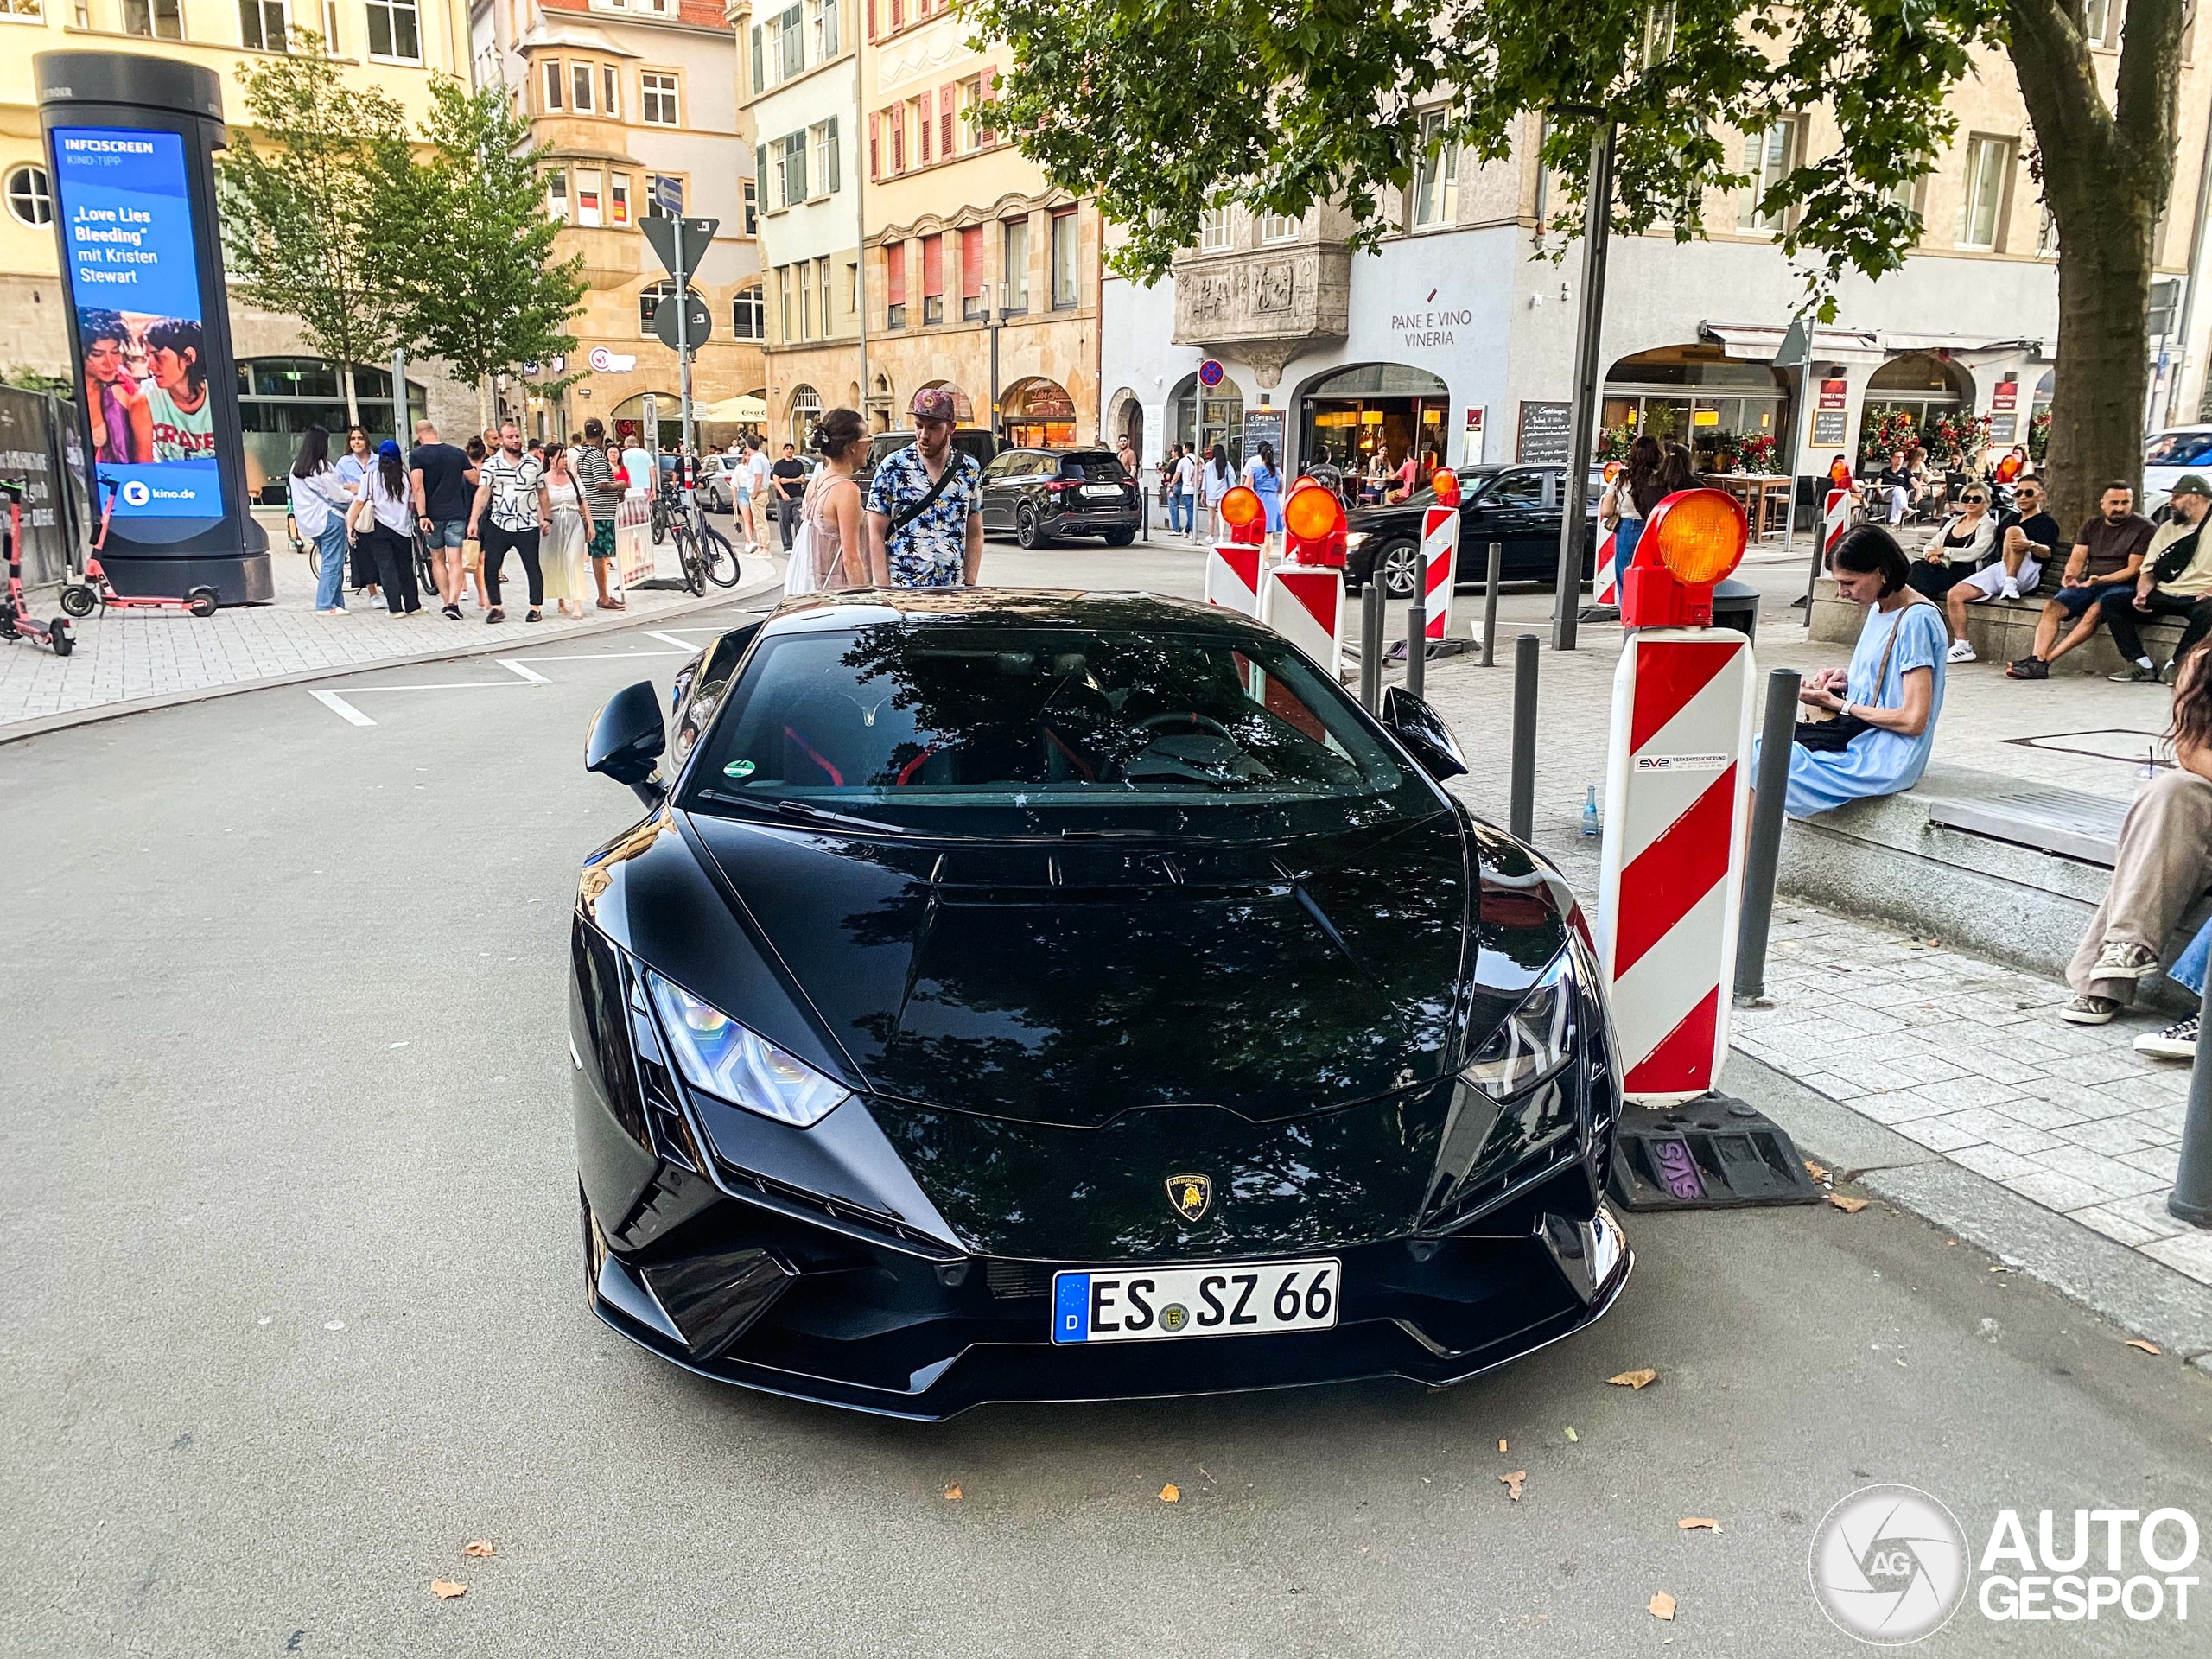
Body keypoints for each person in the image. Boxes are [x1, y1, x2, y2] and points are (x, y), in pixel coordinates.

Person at [2061, 651, 2212, 1023]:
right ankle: (2126, 948)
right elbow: (2191, 752)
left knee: (2157, 833)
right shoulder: (2205, 663)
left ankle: (2106, 975)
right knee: (2170, 791)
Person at [1768, 525, 1948, 817]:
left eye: (1849, 582)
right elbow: (1885, 684)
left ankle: (1743, 859)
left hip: (1885, 756)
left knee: (1759, 760)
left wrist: (1838, 704)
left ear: (1882, 572)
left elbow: (1914, 720)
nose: (1842, 593)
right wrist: (1844, 683)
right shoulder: (1880, 609)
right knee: (1755, 753)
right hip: (1862, 739)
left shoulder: (1917, 620)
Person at [2005, 481, 2154, 678]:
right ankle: (2037, 657)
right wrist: (2070, 576)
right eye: (2114, 502)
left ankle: (2045, 661)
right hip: (2091, 583)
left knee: (2095, 611)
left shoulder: (2144, 528)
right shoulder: (2092, 525)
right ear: (2103, 503)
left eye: (2125, 503)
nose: (2119, 508)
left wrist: (2099, 579)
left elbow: (2132, 570)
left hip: (2123, 587)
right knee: (2052, 606)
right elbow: (2077, 557)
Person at [2097, 474, 2212, 683]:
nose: (2171, 503)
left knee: (2209, 610)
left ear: (2196, 497)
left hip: (2199, 596)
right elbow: (2149, 570)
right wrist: (2142, 591)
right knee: (2112, 603)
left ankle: (2177, 665)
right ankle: (2139, 664)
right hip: (2166, 592)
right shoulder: (2168, 528)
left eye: (2177, 497)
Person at [864, 387, 984, 587]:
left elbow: (974, 533)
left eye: (934, 427)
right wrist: (884, 590)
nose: (923, 435)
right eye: (919, 426)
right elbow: (874, 534)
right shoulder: (893, 467)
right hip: (903, 591)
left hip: (950, 594)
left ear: (951, 428)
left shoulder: (968, 470)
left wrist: (970, 584)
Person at [1942, 475, 2062, 662]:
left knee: (2014, 532)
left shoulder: (2047, 523)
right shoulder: (2010, 517)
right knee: (1955, 594)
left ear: (2041, 496)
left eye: (2029, 493)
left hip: (2029, 570)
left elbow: (2047, 552)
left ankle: (2010, 582)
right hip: (2002, 567)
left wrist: (2029, 544)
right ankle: (1963, 645)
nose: (2022, 497)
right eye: (2018, 493)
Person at [465, 421, 550, 625]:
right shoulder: (491, 465)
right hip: (499, 521)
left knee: (532, 567)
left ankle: (535, 608)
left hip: (527, 522)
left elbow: (542, 492)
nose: (515, 440)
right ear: (502, 440)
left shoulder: (533, 464)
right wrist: (473, 520)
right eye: (510, 437)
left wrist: (547, 518)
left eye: (517, 436)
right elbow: (483, 492)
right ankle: (496, 607)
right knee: (491, 566)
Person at [347, 440, 422, 615]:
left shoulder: (369, 478)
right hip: (402, 529)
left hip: (379, 529)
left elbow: (359, 503)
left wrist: (350, 524)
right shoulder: (405, 478)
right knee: (405, 567)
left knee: (386, 568)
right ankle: (413, 605)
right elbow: (412, 506)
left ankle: (395, 608)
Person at [408, 421, 473, 620]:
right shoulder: (457, 453)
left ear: (419, 436)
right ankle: (454, 602)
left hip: (432, 516)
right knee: (455, 561)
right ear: (435, 432)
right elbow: (475, 479)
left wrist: (422, 515)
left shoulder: (417, 456)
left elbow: (417, 487)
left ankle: (446, 602)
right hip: (456, 513)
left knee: (437, 559)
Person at [801, 406, 870, 590]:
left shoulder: (815, 484)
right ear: (852, 447)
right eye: (868, 439)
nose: (870, 445)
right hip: (843, 594)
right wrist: (865, 601)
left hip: (820, 589)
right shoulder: (847, 490)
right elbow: (851, 558)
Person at [289, 425, 354, 615]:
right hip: (329, 518)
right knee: (333, 563)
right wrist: (355, 495)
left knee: (331, 561)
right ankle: (326, 605)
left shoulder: (296, 467)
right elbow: (338, 495)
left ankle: (337, 603)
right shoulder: (323, 467)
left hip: (308, 522)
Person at [1904, 484, 1999, 603]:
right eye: (1966, 499)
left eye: (1976, 499)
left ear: (1986, 502)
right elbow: (1932, 545)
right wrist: (1931, 555)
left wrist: (1945, 551)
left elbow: (1976, 552)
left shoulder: (1988, 525)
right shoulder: (1954, 521)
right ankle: (1918, 607)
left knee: (1921, 576)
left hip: (1966, 572)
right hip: (1943, 567)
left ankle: (1914, 607)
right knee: (1918, 568)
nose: (1970, 502)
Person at [81, 308, 152, 464]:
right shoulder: (70, 390)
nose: (110, 362)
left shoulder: (123, 383)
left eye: (114, 352)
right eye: (97, 354)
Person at [573, 417, 626, 610]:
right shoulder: (596, 456)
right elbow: (601, 484)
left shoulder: (583, 454)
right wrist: (619, 485)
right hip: (600, 511)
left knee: (601, 554)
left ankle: (604, 594)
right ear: (602, 434)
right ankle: (603, 596)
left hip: (595, 508)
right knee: (601, 554)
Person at [142, 319, 213, 461]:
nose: (149, 366)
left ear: (188, 357)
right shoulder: (145, 398)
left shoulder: (218, 395)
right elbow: (143, 467)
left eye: (158, 356)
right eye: (146, 357)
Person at [540, 441, 592, 620]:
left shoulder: (573, 477)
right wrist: (542, 521)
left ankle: (577, 603)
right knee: (557, 561)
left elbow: (583, 502)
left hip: (574, 521)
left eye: (565, 457)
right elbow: (540, 503)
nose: (565, 460)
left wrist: (590, 525)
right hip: (554, 523)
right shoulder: (544, 479)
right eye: (561, 457)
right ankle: (561, 599)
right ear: (551, 459)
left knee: (573, 560)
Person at [1243, 441, 1284, 548]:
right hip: (1272, 502)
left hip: (1259, 500)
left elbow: (1247, 487)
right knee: (1268, 533)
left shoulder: (1255, 470)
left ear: (1261, 456)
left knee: (1256, 530)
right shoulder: (1278, 472)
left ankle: (1258, 559)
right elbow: (1280, 489)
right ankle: (1266, 560)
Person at [771, 442, 809, 553]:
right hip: (783, 497)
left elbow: (802, 479)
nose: (789, 451)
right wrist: (782, 493)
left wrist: (788, 480)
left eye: (791, 449)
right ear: (784, 450)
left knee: (799, 520)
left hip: (797, 495)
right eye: (787, 448)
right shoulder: (779, 465)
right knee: (784, 521)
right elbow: (777, 480)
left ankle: (799, 544)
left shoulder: (798, 464)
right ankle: (788, 546)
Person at [1873, 449, 1916, 525]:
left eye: (1902, 457)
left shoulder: (1906, 471)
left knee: (1898, 493)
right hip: (1887, 493)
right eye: (1898, 457)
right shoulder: (1885, 471)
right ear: (1892, 459)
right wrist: (1879, 492)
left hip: (1901, 494)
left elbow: (1915, 482)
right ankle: (1905, 509)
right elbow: (1878, 482)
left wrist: (1919, 491)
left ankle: (1894, 522)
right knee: (1898, 489)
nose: (1900, 459)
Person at [745, 435, 773, 547]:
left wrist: (754, 494)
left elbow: (758, 478)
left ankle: (764, 547)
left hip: (758, 493)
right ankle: (762, 546)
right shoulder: (762, 457)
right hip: (763, 491)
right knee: (759, 522)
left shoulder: (755, 458)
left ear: (748, 446)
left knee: (760, 522)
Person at [1201, 443, 1233, 540]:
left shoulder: (1208, 465)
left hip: (1211, 493)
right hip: (1223, 493)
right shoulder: (1226, 464)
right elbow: (1232, 478)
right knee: (1221, 516)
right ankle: (1222, 537)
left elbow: (1205, 480)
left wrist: (1203, 493)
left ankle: (1211, 536)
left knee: (1211, 517)